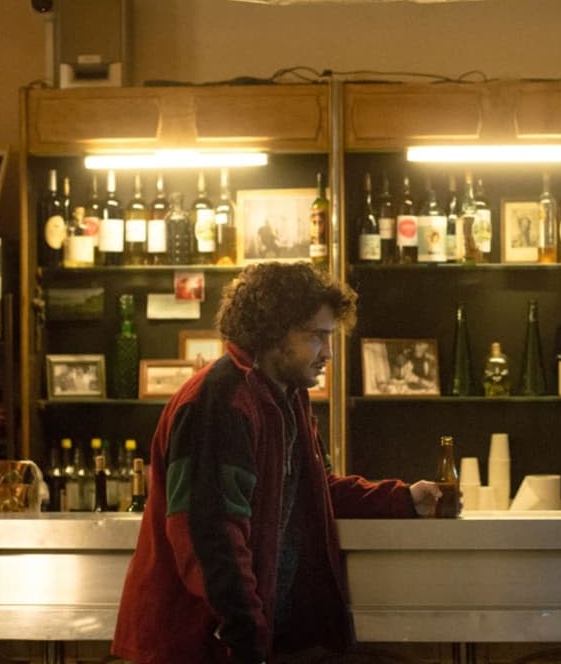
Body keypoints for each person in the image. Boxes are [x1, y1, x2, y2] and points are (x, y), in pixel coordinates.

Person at [113, 262, 451, 664]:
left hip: (256, 639)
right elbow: (211, 538)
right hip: (202, 645)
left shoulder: (284, 395)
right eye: (316, 337)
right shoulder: (220, 402)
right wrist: (247, 641)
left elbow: (314, 489)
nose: (328, 352)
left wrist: (404, 499)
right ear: (273, 332)